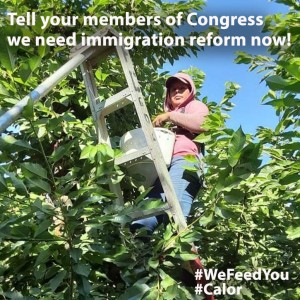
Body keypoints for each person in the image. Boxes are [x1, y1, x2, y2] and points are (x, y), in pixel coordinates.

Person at [131, 72, 209, 234]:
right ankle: (140, 255)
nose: (177, 92)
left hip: (184, 162)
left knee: (176, 217)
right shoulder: (164, 121)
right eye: (173, 89)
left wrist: (170, 116)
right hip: (163, 168)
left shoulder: (193, 106)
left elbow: (203, 124)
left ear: (190, 91)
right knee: (142, 220)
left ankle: (186, 256)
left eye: (182, 88)